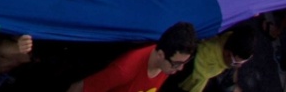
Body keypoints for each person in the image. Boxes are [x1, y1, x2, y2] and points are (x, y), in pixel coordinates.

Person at [65, 24, 199, 92]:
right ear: (160, 54)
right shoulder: (124, 71)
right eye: (176, 64)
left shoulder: (167, 66)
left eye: (185, 62)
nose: (181, 68)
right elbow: (79, 88)